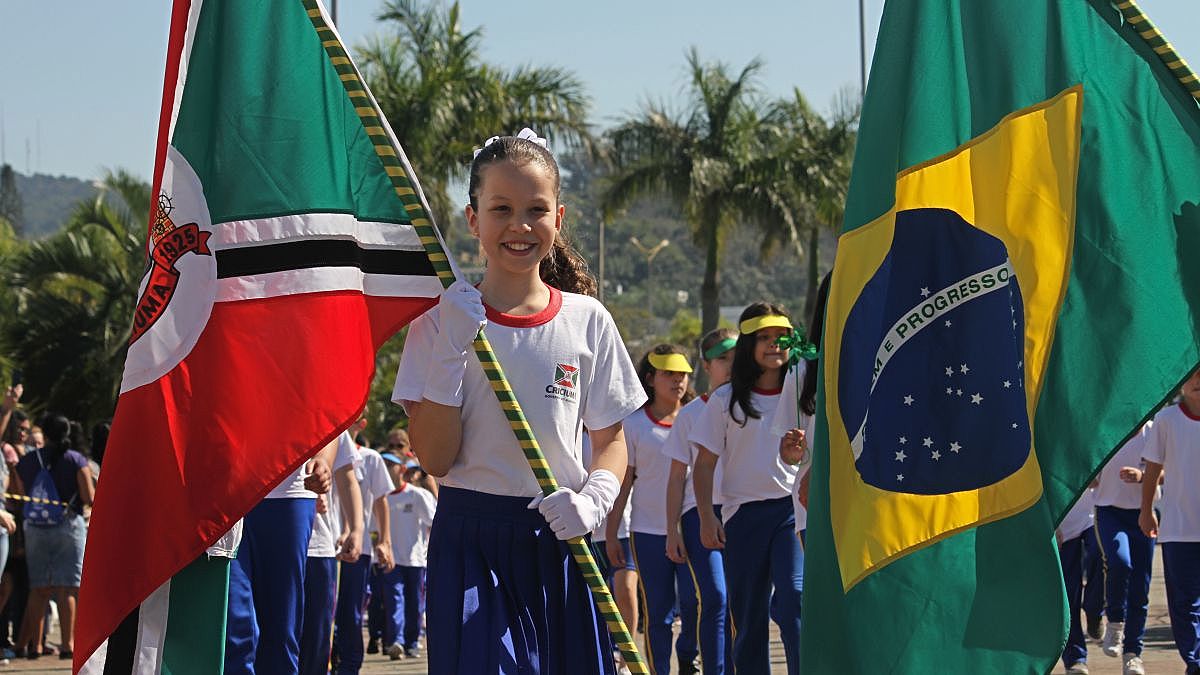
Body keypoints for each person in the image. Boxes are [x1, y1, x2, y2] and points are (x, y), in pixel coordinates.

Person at [392, 128, 645, 674]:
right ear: (472, 219)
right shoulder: (437, 323)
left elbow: (612, 441)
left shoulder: (587, 319)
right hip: (471, 540)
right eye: (501, 208)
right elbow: (435, 459)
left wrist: (595, 500)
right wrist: (450, 352)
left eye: (536, 209)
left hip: (562, 536)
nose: (519, 226)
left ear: (559, 216)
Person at [690, 303, 802, 675]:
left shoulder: (804, 393)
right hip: (743, 517)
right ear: (750, 344)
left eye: (782, 337)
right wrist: (707, 517)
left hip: (790, 514)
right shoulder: (725, 401)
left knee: (794, 600)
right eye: (765, 338)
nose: (774, 345)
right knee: (749, 620)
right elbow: (703, 466)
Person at [610, 344, 697, 675]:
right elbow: (624, 483)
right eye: (668, 374)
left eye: (683, 375)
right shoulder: (633, 424)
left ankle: (689, 657)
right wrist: (613, 532)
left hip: (691, 529)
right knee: (658, 612)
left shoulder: (699, 417)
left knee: (695, 603)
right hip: (646, 530)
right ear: (650, 378)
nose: (677, 381)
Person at [224, 436, 335, 674]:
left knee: (282, 626)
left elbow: (329, 405)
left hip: (289, 493)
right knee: (235, 621)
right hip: (227, 494)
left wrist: (323, 459)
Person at [662, 328, 736, 675]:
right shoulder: (690, 415)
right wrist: (672, 529)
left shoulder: (755, 404)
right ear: (707, 365)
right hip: (699, 514)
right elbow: (677, 477)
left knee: (740, 601)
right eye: (723, 359)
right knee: (716, 597)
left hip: (744, 510)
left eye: (737, 356)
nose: (731, 365)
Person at [10, 413, 93, 660]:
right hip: (68, 526)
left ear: (44, 435)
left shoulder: (27, 460)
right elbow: (89, 497)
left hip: (35, 528)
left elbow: (19, 494)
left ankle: (35, 646)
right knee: (68, 587)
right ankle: (68, 645)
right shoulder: (76, 459)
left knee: (39, 588)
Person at [1140, 369, 1200, 675]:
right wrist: (1146, 509)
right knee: (1183, 603)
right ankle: (1195, 660)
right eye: (1193, 375)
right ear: (1181, 382)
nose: (1198, 380)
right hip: (1178, 530)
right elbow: (1152, 469)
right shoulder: (1166, 420)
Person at [297, 431, 364, 675]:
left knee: (317, 634)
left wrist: (356, 529)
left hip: (318, 547)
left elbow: (347, 479)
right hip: (270, 540)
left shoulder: (332, 422)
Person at [1092, 422, 1157, 668]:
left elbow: (1166, 472)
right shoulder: (1108, 426)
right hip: (1109, 511)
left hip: (1143, 513)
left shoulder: (1154, 430)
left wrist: (1142, 476)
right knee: (1120, 562)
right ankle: (1115, 623)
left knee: (1141, 584)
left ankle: (1133, 654)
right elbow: (1089, 469)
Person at [333, 430, 394, 674]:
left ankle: (350, 666)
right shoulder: (321, 446)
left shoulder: (370, 458)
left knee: (350, 613)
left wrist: (385, 541)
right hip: (325, 545)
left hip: (358, 550)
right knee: (324, 613)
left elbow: (381, 501)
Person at [377, 451, 435, 660]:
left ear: (401, 469)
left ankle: (412, 642)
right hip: (392, 561)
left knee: (415, 604)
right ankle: (397, 641)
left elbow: (433, 522)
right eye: (383, 464)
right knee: (394, 601)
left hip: (416, 560)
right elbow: (374, 528)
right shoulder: (380, 498)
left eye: (390, 465)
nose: (386, 468)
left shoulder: (416, 495)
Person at [1058, 488, 1097, 674]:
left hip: (1094, 516)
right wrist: (1052, 523)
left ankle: (1094, 610)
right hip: (1062, 525)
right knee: (1069, 594)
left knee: (1103, 558)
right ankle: (1075, 658)